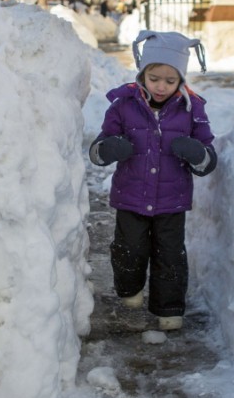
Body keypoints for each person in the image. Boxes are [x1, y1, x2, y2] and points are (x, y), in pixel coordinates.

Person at [88, 30, 217, 331]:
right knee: (128, 249)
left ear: (181, 80)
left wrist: (196, 153)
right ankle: (130, 295)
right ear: (143, 73)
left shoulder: (193, 109)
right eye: (154, 78)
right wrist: (110, 148)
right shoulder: (122, 105)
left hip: (172, 202)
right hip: (130, 197)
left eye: (170, 81)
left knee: (170, 256)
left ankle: (168, 309)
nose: (161, 87)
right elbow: (97, 151)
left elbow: (208, 158)